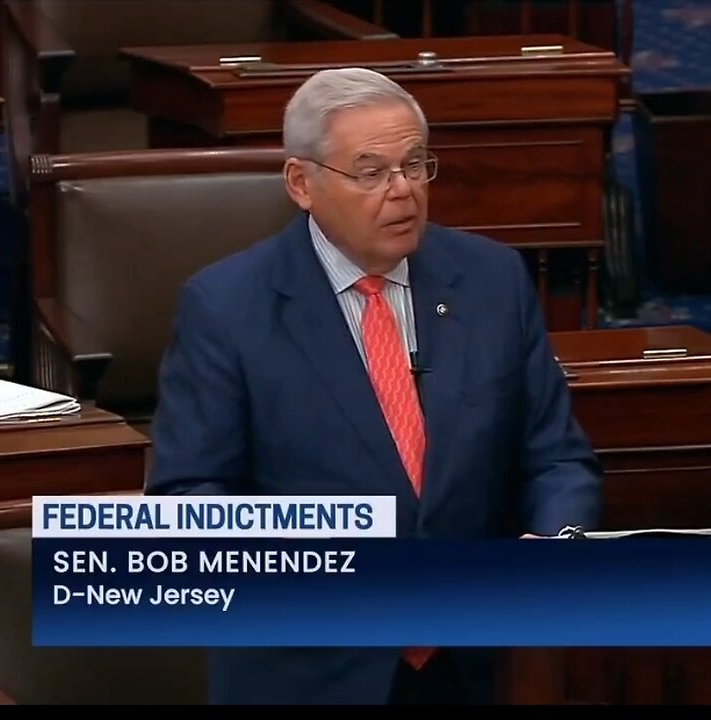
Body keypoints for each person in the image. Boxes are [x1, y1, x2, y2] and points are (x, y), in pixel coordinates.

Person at [145, 67, 602, 705]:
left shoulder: (492, 280)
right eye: (370, 172)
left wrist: (557, 544)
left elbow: (557, 457)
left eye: (415, 166)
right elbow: (190, 496)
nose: (403, 192)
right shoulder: (226, 308)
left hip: (477, 661)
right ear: (301, 183)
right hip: (311, 668)